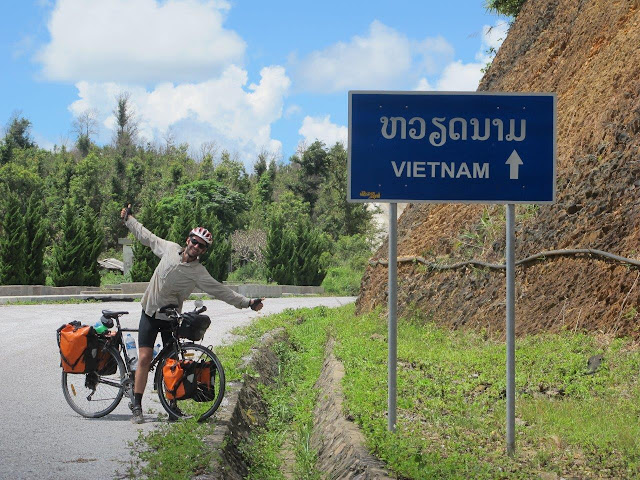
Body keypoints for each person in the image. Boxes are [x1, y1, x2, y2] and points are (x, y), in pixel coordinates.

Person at [120, 205, 263, 424]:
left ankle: (172, 407)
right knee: (146, 358)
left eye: (201, 246)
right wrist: (129, 220)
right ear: (188, 240)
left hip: (170, 319)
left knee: (172, 363)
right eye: (195, 242)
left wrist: (247, 303)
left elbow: (221, 290)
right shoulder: (170, 249)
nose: (196, 246)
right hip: (150, 312)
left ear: (204, 251)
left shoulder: (198, 272)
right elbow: (147, 237)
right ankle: (137, 406)